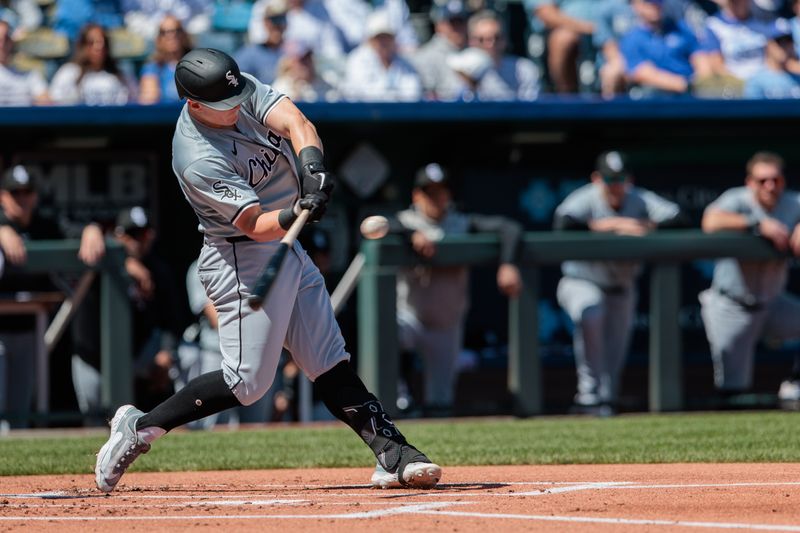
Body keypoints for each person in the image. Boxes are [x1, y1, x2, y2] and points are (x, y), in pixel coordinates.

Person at [94, 48, 441, 493]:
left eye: (236, 97)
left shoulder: (233, 86)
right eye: (223, 106)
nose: (236, 107)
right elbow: (254, 225)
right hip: (240, 254)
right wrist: (296, 209)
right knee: (247, 384)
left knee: (326, 358)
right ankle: (140, 426)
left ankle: (395, 453)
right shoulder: (197, 156)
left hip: (284, 245)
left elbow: (298, 124)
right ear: (193, 104)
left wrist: (312, 168)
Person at [387, 162, 523, 416]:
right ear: (417, 195)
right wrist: (410, 235)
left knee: (441, 404)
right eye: (430, 192)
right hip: (410, 318)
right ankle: (401, 392)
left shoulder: (462, 222)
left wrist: (508, 264)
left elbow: (510, 228)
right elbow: (375, 226)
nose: (437, 198)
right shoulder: (405, 221)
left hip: (446, 325)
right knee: (390, 331)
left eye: (441, 191)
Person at [553, 151, 682, 416]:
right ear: (597, 179)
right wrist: (611, 225)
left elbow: (679, 219)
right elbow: (563, 224)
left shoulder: (640, 198)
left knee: (615, 354)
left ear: (629, 179)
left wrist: (644, 226)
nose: (615, 185)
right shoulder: (586, 197)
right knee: (591, 312)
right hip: (581, 281)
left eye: (620, 179)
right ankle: (587, 395)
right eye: (609, 179)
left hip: (622, 287)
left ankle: (603, 405)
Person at [0, 165, 105, 428]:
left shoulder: (44, 223)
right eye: (16, 193)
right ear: (3, 196)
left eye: (27, 192)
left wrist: (91, 230)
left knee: (19, 412)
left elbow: (74, 229)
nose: (22, 199)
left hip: (30, 331)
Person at [699, 151, 800, 403]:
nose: (770, 186)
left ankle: (795, 381)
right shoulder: (738, 199)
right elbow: (710, 221)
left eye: (775, 180)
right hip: (733, 305)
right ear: (750, 182)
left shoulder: (792, 202)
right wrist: (756, 223)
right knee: (732, 390)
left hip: (773, 302)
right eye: (763, 180)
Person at [619, 0, 713, 97]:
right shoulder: (632, 39)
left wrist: (703, 81)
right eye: (648, 1)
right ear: (635, 5)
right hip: (657, 99)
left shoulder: (680, 29)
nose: (654, 4)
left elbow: (700, 59)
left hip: (693, 94)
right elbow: (641, 73)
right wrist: (687, 85)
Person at [340, 10, 422, 102]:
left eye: (387, 37)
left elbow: (413, 93)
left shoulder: (405, 64)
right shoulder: (357, 61)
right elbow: (365, 95)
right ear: (370, 40)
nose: (383, 42)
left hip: (401, 114)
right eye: (379, 38)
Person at [522, 0, 601, 93]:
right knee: (563, 39)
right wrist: (589, 28)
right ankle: (565, 98)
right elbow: (547, 14)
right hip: (563, 33)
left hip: (609, 32)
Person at [50, 23, 138, 106]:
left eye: (102, 42)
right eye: (92, 43)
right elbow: (55, 104)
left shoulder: (122, 76)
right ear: (83, 46)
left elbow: (135, 103)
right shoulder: (69, 73)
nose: (98, 47)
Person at [466, 9, 540, 101]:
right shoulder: (459, 72)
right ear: (471, 41)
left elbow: (529, 110)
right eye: (481, 39)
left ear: (505, 40)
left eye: (496, 38)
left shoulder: (525, 70)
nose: (490, 44)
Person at [411, 0, 470, 101]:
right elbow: (427, 97)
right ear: (439, 25)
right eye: (452, 23)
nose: (457, 28)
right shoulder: (425, 56)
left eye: (460, 22)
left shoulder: (473, 52)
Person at [138, 15, 194, 104]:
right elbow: (149, 101)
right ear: (159, 39)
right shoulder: (153, 68)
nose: (172, 35)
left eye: (177, 30)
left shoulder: (196, 64)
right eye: (164, 32)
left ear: (183, 34)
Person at [234, 0, 288, 84]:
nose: (278, 25)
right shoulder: (249, 54)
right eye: (274, 20)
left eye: (282, 19)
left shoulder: (295, 51)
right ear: (265, 23)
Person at [744, 20, 800, 98]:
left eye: (788, 41)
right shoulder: (758, 81)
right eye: (779, 41)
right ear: (768, 44)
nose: (784, 46)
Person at [0, 19, 50, 106]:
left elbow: (47, 104)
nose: (2, 45)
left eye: (6, 39)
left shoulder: (31, 75)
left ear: (11, 42)